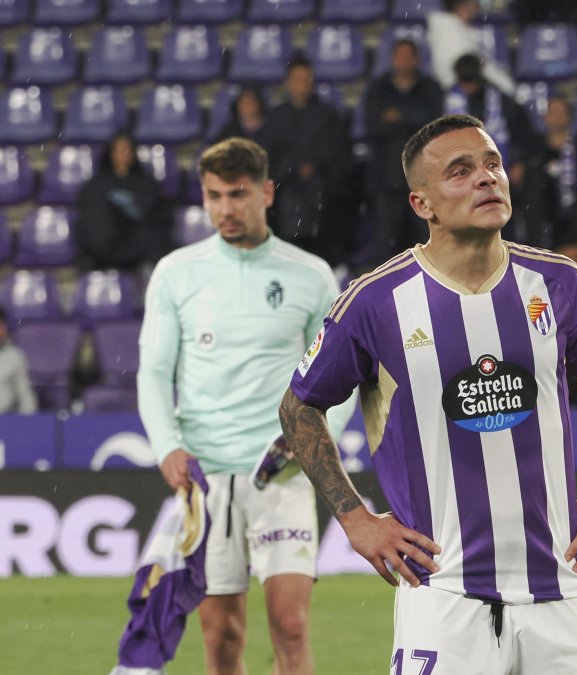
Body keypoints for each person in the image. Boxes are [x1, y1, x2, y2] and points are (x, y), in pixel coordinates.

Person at [278, 114, 577, 674]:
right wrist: (354, 518)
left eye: (492, 164)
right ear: (422, 204)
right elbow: (299, 406)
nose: (486, 178)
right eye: (460, 171)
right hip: (443, 591)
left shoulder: (560, 282)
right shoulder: (375, 302)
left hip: (561, 586)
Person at [137, 138, 357, 675]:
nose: (225, 209)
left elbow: (339, 378)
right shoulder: (175, 272)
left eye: (237, 194)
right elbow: (154, 371)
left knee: (291, 625)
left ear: (266, 193)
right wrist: (167, 447)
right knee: (221, 636)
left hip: (281, 476)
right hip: (206, 477)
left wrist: (310, 443)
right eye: (214, 196)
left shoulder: (310, 274)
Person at [259, 54, 353, 263]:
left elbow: (340, 157)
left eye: (306, 79)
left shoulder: (328, 116)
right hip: (284, 199)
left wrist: (315, 167)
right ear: (288, 82)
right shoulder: (276, 118)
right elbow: (267, 158)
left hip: (322, 200)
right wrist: (292, 169)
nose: (302, 86)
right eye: (297, 80)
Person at [364, 39, 444, 265]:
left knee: (426, 241)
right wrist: (413, 119)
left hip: (423, 178)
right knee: (386, 244)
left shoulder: (430, 87)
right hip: (386, 177)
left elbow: (434, 125)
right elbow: (373, 127)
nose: (404, 61)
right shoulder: (378, 88)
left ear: (416, 59)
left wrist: (397, 116)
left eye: (408, 55)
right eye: (400, 55)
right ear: (392, 58)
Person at [518, 93, 577, 265]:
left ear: (570, 116)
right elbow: (529, 197)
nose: (556, 117)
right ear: (545, 117)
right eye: (552, 112)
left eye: (561, 112)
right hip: (543, 238)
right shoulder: (534, 151)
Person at [75, 133, 171, 271]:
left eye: (126, 150)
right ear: (110, 153)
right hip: (102, 249)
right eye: (118, 151)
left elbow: (156, 216)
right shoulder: (95, 185)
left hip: (138, 245)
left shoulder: (147, 184)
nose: (122, 155)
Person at [445, 53, 536, 186]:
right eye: (464, 81)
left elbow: (522, 130)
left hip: (499, 163)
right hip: (463, 168)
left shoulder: (500, 99)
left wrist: (518, 161)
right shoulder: (449, 101)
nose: (468, 86)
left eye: (471, 80)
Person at [428, 0, 515, 94]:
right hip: (459, 95)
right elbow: (472, 68)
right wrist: (509, 88)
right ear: (465, 5)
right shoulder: (450, 33)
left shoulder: (453, 28)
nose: (477, 6)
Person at [0, 307, 37, 414]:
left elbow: (25, 397)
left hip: (5, 419)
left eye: (2, 325)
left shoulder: (15, 357)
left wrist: (29, 421)